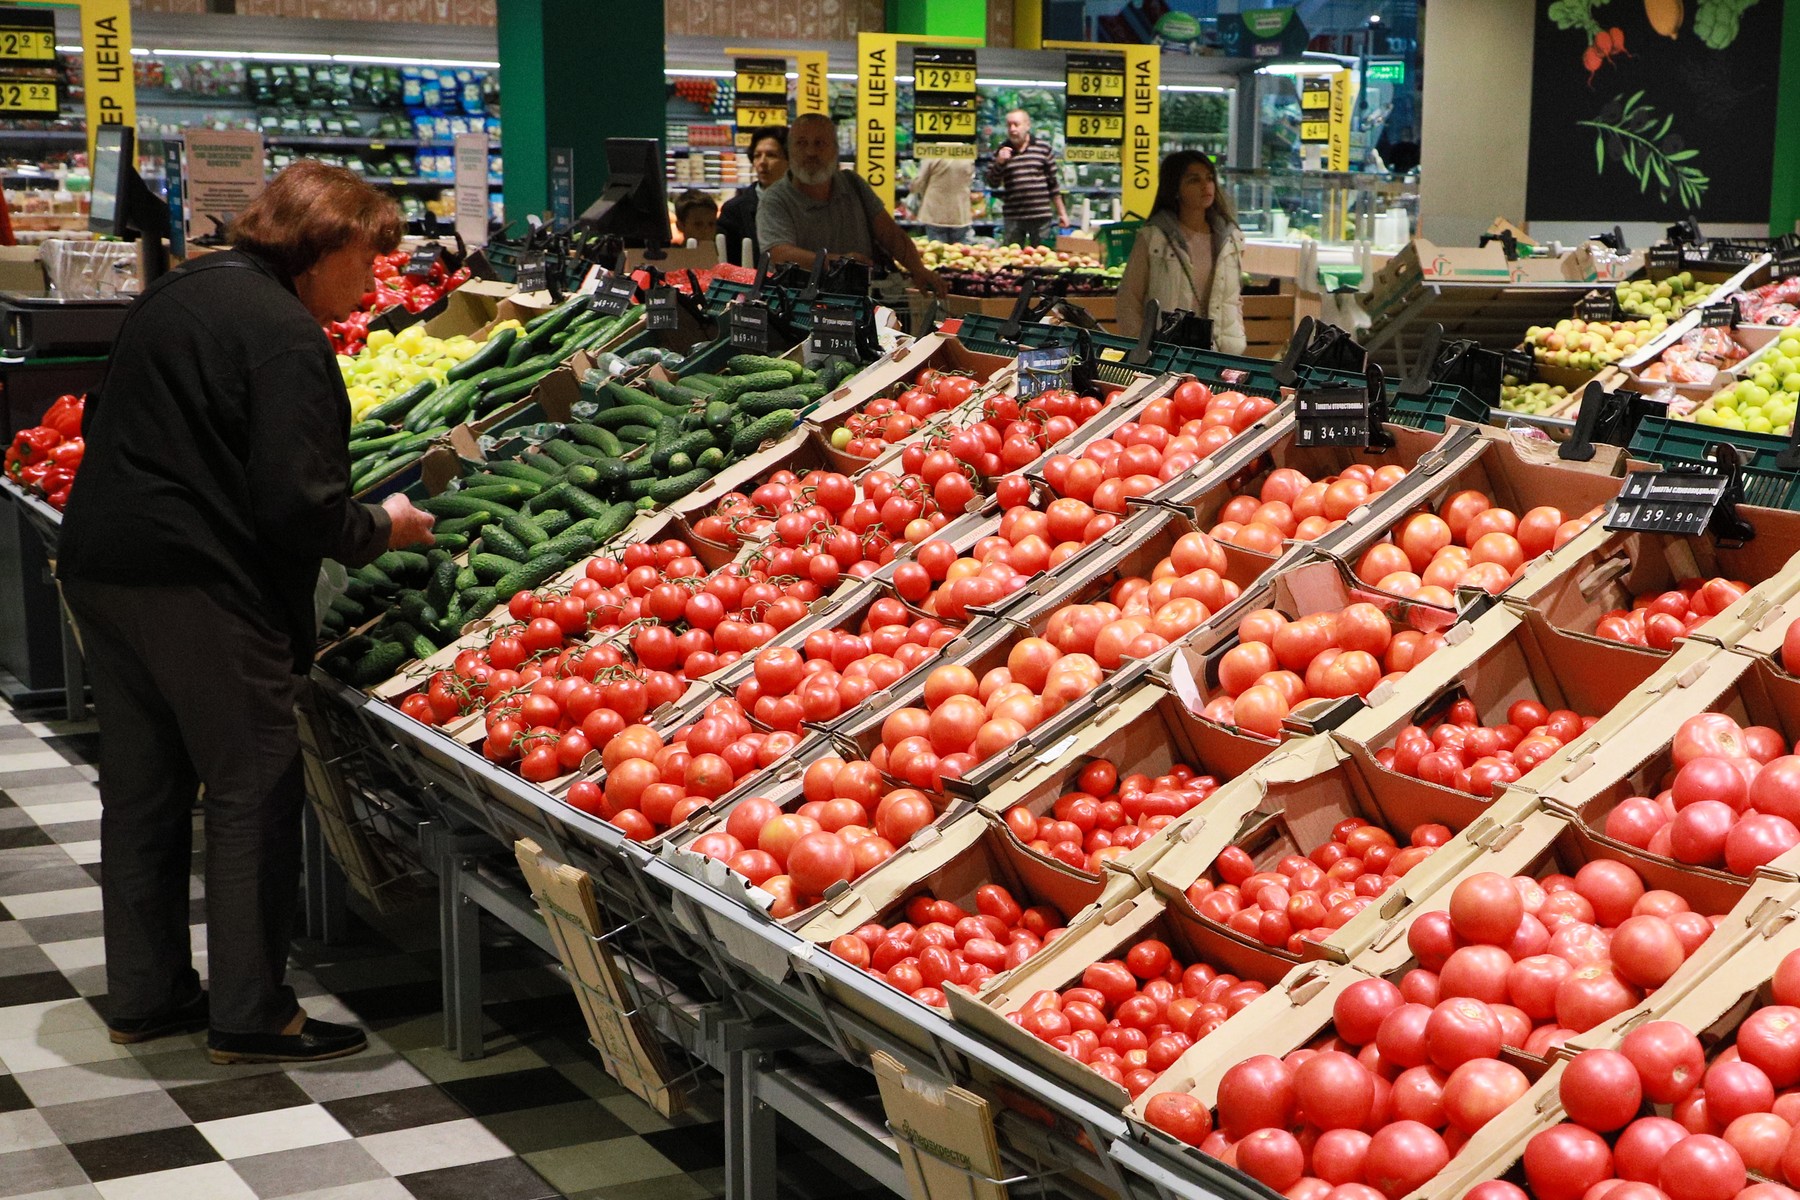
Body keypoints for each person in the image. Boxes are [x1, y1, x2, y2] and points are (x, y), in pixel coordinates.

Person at [57, 161, 436, 1066]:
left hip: (104, 568)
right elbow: (300, 507)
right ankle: (253, 1014)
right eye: (367, 260)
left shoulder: (179, 290)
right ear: (323, 246)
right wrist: (382, 526)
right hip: (202, 589)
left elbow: (107, 422)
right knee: (250, 791)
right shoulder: (285, 336)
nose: (373, 281)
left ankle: (146, 996)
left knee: (142, 794)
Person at [756, 112, 946, 297]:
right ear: (789, 152)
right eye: (801, 143)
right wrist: (840, 263)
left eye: (820, 143)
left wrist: (918, 269)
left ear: (836, 150)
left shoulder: (853, 184)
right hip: (800, 305)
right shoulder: (775, 199)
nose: (811, 152)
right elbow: (780, 254)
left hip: (860, 301)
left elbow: (890, 233)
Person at [1114, 150, 1246, 355]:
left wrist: (1237, 337)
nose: (1205, 186)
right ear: (1175, 188)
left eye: (1209, 178)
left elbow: (1234, 299)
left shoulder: (1231, 239)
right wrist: (1143, 349)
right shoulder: (1154, 238)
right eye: (1194, 180)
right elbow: (1129, 299)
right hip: (1167, 354)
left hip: (1222, 355)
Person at [984, 110, 1068, 248]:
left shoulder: (1043, 148)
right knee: (1012, 255)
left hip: (1040, 216)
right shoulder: (1001, 150)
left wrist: (1062, 213)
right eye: (1009, 125)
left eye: (1016, 125)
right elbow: (993, 183)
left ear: (1027, 126)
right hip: (1013, 217)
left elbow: (1053, 184)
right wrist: (999, 163)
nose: (1012, 129)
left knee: (1041, 255)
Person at [718, 126, 787, 267]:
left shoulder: (804, 204)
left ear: (790, 160)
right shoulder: (734, 211)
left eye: (771, 155)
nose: (762, 162)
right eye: (757, 155)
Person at [910, 155, 975, 244]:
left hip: (935, 212)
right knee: (960, 249)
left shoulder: (932, 155)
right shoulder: (966, 156)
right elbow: (969, 181)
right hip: (960, 212)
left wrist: (916, 190)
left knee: (937, 248)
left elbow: (919, 182)